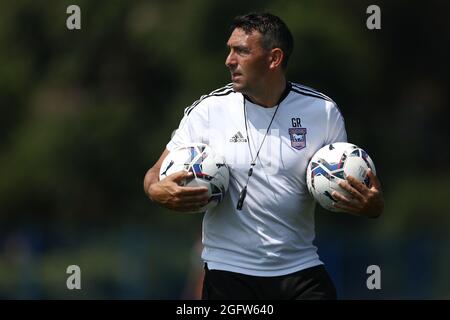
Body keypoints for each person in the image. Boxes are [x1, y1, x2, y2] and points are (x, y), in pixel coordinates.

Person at [143, 12, 384, 300]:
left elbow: (341, 186)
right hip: (228, 274)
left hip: (301, 271)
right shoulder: (207, 111)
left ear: (274, 58)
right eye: (229, 50)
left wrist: (372, 206)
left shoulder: (323, 112)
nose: (229, 60)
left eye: (241, 51)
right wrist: (157, 191)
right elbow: (153, 176)